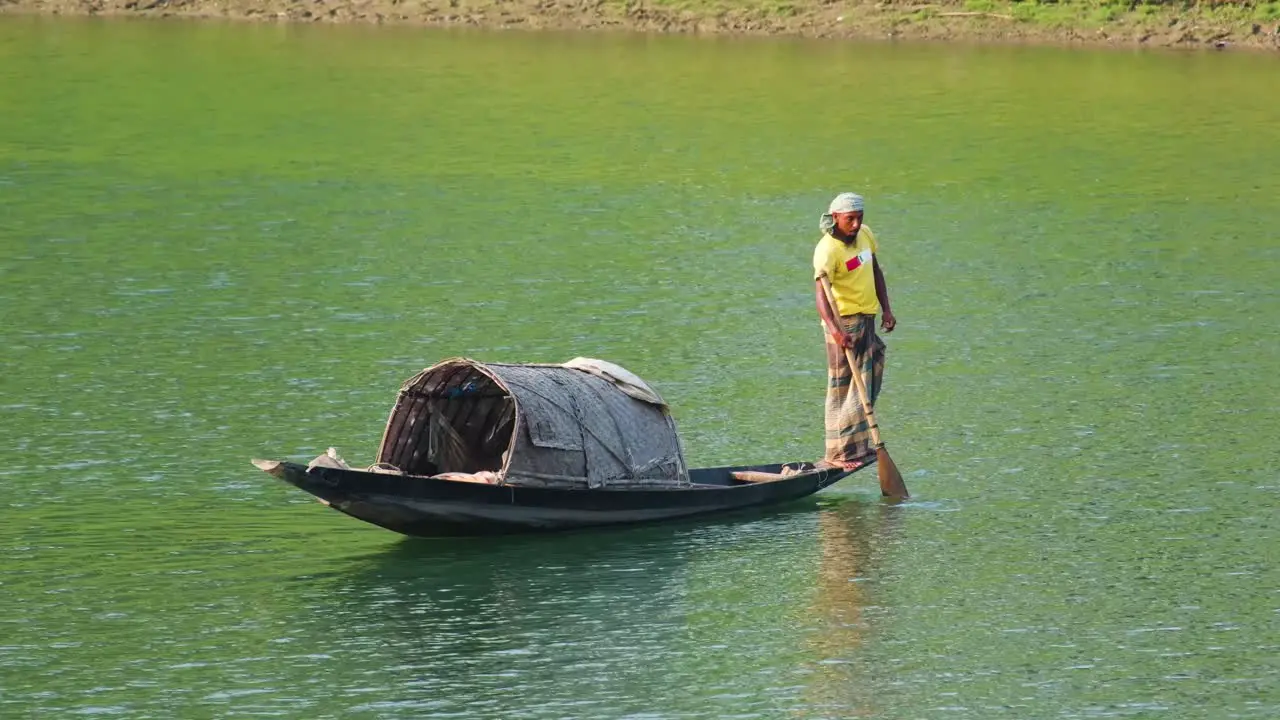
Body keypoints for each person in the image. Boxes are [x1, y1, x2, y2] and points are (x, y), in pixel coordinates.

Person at [812, 192, 896, 470]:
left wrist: (886, 309)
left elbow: (875, 272)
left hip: (867, 318)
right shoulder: (827, 250)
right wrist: (836, 332)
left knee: (867, 378)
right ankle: (838, 453)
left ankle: (856, 446)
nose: (856, 224)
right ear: (835, 218)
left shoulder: (865, 237)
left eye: (860, 218)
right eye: (850, 219)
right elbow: (821, 297)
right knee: (841, 387)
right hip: (843, 323)